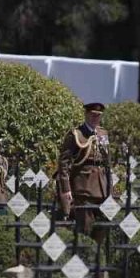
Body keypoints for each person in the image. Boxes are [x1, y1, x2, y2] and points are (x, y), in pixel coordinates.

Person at [56, 102, 112, 242]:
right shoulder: (76, 134)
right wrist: (66, 189)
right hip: (83, 187)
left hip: (101, 188)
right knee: (85, 228)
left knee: (104, 224)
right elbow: (64, 163)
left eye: (98, 116)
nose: (95, 118)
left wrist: (110, 187)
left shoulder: (103, 133)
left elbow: (107, 162)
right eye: (93, 115)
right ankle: (83, 255)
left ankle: (97, 254)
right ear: (86, 114)